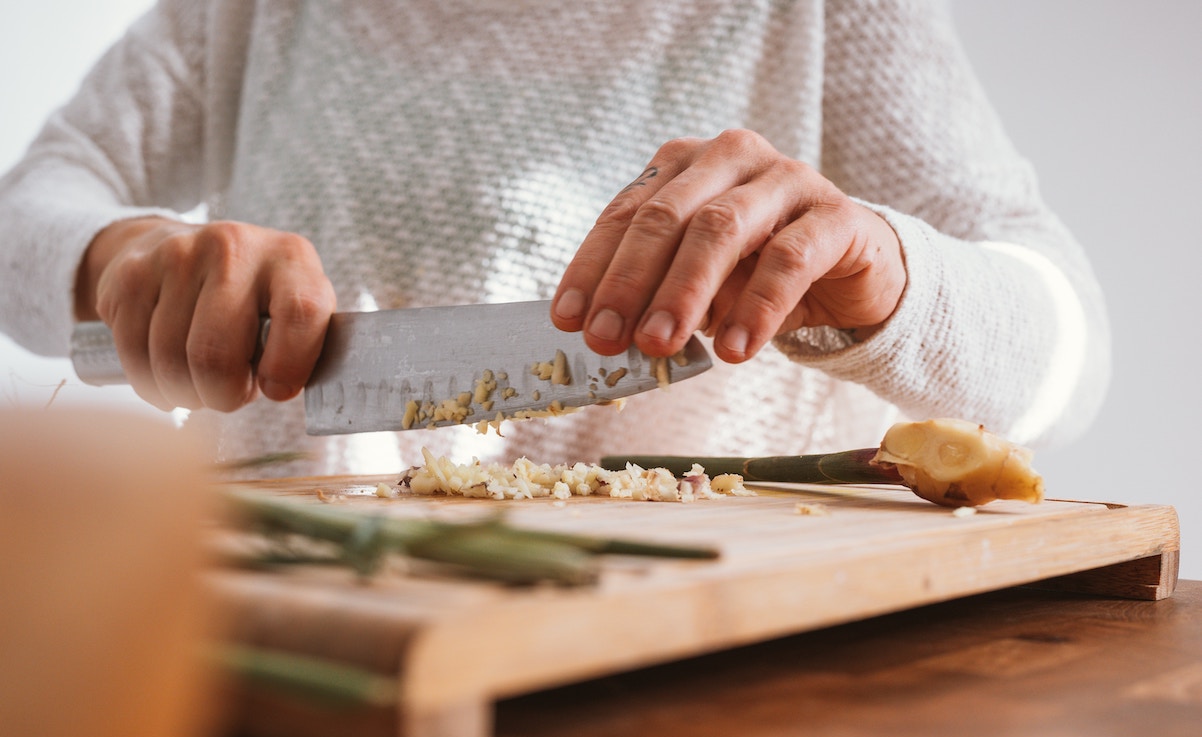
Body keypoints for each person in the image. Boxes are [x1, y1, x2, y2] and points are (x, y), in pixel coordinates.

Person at [0, 0, 1110, 477]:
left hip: (707, 676)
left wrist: (894, 279)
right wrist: (116, 257)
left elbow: (1070, 355)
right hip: (291, 645)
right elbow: (29, 205)